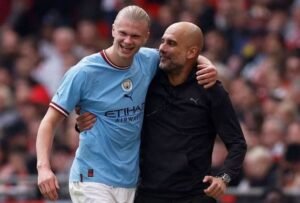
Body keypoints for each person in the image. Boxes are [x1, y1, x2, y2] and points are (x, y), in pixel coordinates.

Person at [36, 5, 217, 203]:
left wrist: (208, 65)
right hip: (89, 178)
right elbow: (49, 122)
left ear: (146, 36)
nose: (128, 41)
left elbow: (183, 54)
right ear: (113, 29)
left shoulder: (148, 60)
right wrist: (43, 168)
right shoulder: (83, 72)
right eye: (123, 33)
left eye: (135, 36)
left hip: (130, 180)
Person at [78, 22, 247, 203]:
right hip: (147, 194)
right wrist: (85, 122)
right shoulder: (146, 80)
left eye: (171, 43)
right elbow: (114, 113)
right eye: (163, 41)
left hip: (194, 196)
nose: (162, 48)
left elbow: (237, 143)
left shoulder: (210, 89)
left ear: (191, 52)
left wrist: (224, 178)